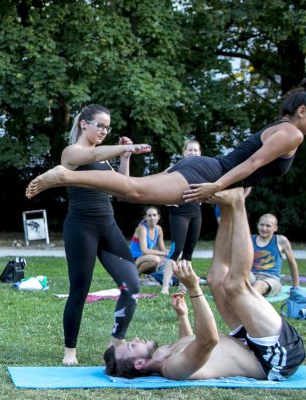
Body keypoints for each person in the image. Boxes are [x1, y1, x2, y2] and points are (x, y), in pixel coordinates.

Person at [103, 188, 305, 381]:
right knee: (236, 285)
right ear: (139, 363)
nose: (135, 339)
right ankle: (237, 203)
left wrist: (182, 316)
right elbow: (208, 341)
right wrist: (194, 289)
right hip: (274, 357)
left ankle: (225, 208)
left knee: (215, 279)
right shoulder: (172, 368)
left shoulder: (165, 353)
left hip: (247, 342)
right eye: (131, 346)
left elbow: (191, 344)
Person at [26, 78, 306, 205]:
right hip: (206, 174)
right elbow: (251, 163)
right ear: (302, 111)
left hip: (204, 169)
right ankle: (64, 176)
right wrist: (215, 186)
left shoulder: (281, 128)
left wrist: (221, 190)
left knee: (129, 193)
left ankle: (68, 177)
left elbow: (250, 167)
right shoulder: (292, 133)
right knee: (133, 190)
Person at [39, 104, 145, 366]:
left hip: (108, 226)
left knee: (132, 285)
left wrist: (125, 158)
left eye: (108, 127)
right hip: (81, 228)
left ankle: (116, 342)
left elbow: (122, 188)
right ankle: (70, 351)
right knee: (79, 291)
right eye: (100, 125)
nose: (104, 131)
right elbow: (93, 153)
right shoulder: (71, 153)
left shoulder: (104, 158)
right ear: (84, 124)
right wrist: (125, 147)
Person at [160, 140, 203, 295]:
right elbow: (158, 184)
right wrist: (167, 200)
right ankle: (165, 287)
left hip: (195, 212)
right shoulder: (175, 168)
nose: (193, 153)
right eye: (190, 150)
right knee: (176, 249)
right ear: (184, 152)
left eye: (196, 150)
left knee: (189, 250)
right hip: (179, 213)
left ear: (200, 153)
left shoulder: (202, 169)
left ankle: (183, 285)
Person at [250, 213, 300, 297]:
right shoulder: (250, 239)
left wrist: (296, 287)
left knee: (259, 285)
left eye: (268, 226)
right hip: (252, 276)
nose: (264, 228)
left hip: (271, 279)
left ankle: (247, 298)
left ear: (275, 228)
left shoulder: (281, 241)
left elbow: (292, 264)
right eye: (262, 225)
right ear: (258, 225)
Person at [129, 206, 168, 275]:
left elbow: (162, 249)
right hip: (136, 258)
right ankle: (136, 273)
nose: (152, 218)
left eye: (154, 215)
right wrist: (164, 253)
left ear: (158, 217)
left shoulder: (158, 229)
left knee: (169, 260)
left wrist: (172, 252)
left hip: (147, 257)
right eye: (149, 216)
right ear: (145, 218)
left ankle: (152, 275)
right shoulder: (142, 228)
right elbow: (145, 250)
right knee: (156, 259)